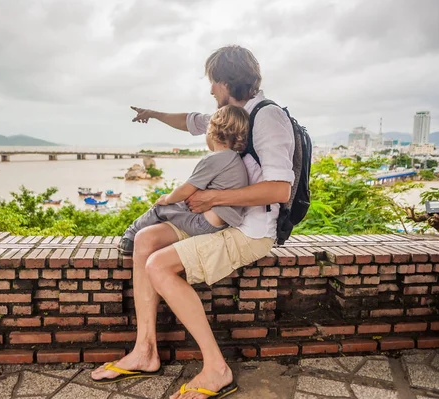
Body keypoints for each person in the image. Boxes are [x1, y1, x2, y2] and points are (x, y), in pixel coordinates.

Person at [91, 45, 295, 399]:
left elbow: (279, 189)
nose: (210, 90)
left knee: (158, 265)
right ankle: (145, 351)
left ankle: (217, 369)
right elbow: (190, 121)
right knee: (146, 240)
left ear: (227, 81)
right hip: (222, 218)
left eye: (213, 83)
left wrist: (214, 197)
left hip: (250, 231)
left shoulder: (267, 117)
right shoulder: (233, 114)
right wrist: (153, 114)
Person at [118, 105, 250, 255]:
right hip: (222, 224)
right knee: (177, 207)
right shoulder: (235, 159)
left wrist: (167, 198)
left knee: (161, 209)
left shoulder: (214, 159)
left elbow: (185, 190)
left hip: (204, 225)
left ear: (212, 130)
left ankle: (129, 237)